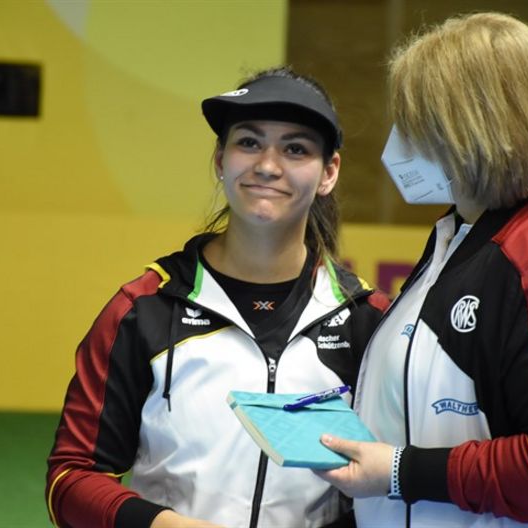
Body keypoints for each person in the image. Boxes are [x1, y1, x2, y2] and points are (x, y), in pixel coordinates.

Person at [316, 12, 528, 527]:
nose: (397, 143)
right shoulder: (466, 234)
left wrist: (399, 472)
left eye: (415, 123)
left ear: (470, 129)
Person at [46, 67, 389, 528]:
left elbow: (390, 484)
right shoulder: (143, 308)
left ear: (329, 172)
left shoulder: (369, 322)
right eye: (248, 142)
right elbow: (70, 480)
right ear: (219, 160)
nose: (267, 165)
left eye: (295, 148)